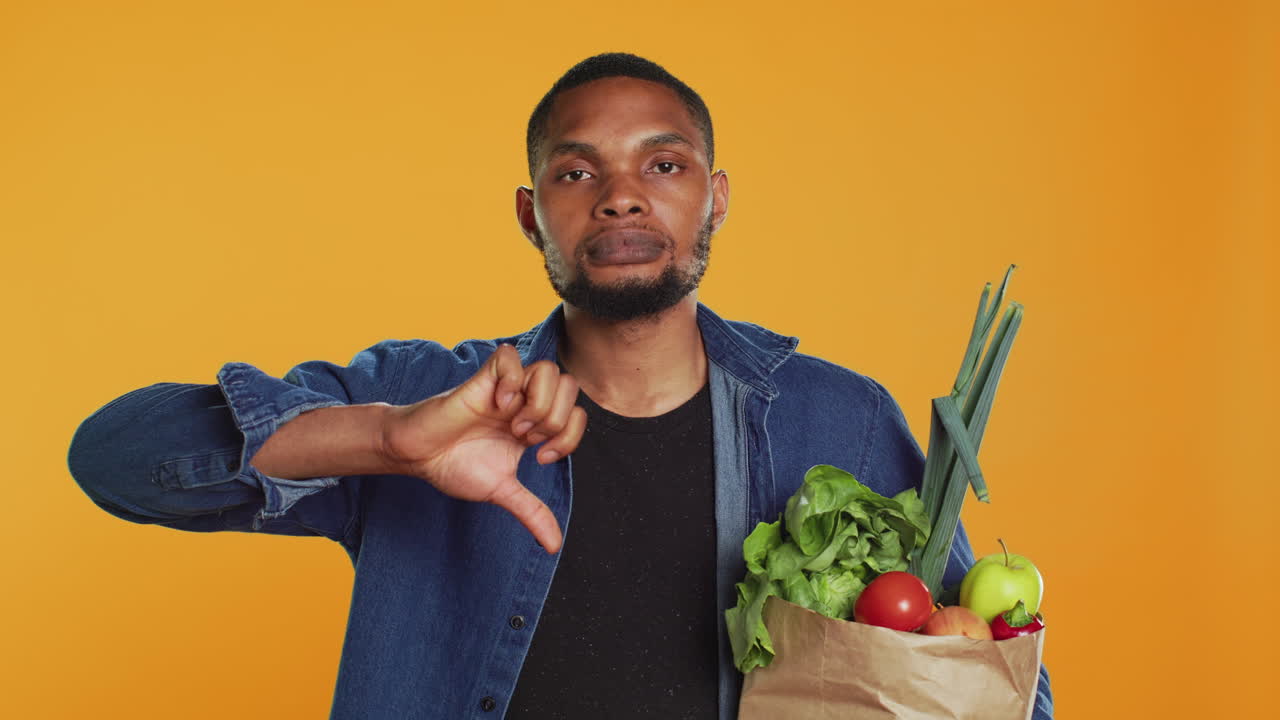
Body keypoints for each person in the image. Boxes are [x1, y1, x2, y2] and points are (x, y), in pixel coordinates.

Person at [68, 52, 1053, 720]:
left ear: (713, 197)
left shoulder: (835, 418)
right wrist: (389, 442)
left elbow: (993, 686)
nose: (620, 193)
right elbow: (113, 459)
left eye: (660, 164)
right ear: (529, 215)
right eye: (575, 173)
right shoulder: (425, 394)